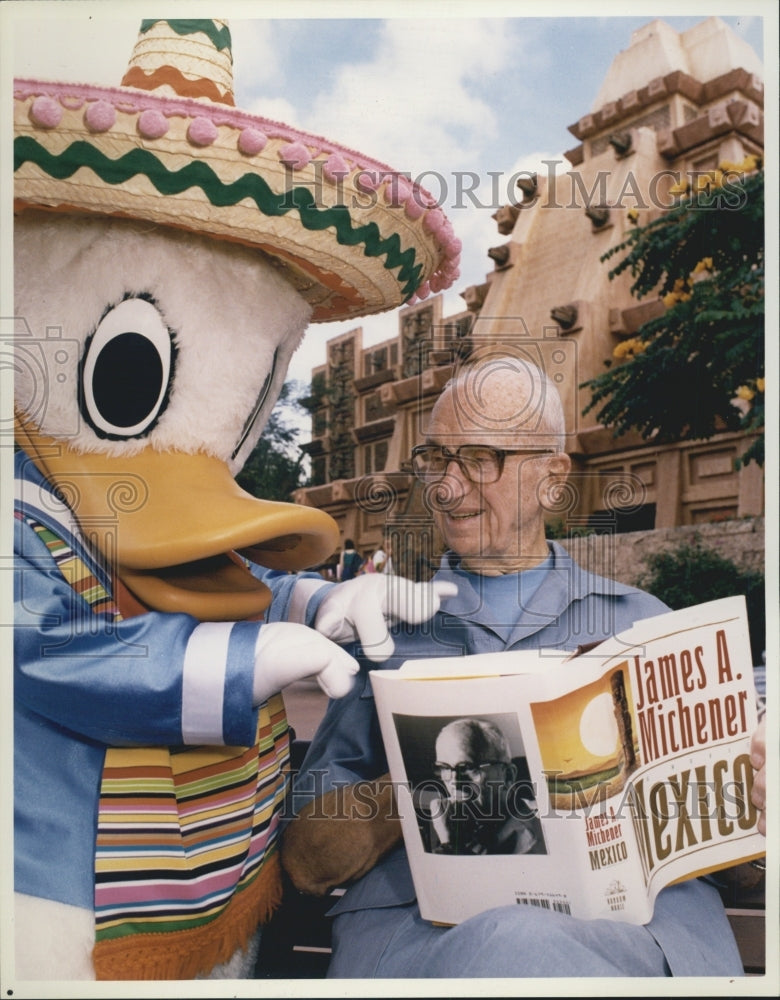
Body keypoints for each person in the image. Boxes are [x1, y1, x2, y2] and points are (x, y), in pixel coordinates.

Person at [279, 353, 767, 979]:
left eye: (481, 459)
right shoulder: (383, 634)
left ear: (552, 475)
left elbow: (739, 863)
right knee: (512, 943)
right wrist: (429, 787)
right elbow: (305, 862)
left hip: (629, 941)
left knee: (522, 946)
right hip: (428, 944)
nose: (448, 487)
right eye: (436, 461)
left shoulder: (645, 625)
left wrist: (757, 807)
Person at [426, 717, 544, 856]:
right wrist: (449, 844)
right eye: (444, 768)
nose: (455, 783)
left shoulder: (544, 832)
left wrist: (451, 848)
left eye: (469, 768)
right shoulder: (448, 826)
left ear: (508, 776)